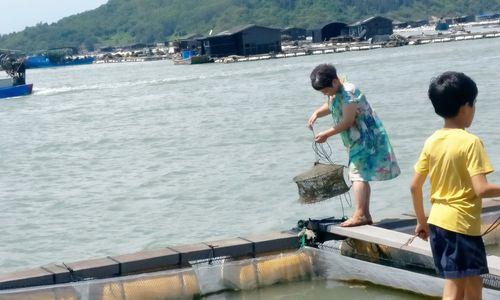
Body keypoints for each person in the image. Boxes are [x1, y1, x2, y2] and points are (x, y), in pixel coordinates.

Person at [411, 71, 500, 299]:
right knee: (455, 287)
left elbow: (414, 186)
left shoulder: (432, 141)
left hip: (439, 224)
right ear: (465, 107)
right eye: (474, 103)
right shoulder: (470, 142)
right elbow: (481, 189)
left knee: (473, 281)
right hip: (460, 227)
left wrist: (422, 221)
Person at [308, 64, 400, 227]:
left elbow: (347, 121)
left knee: (357, 174)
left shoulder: (349, 91)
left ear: (335, 82)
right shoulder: (335, 94)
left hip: (366, 137)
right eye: (322, 92)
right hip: (356, 138)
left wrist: (326, 134)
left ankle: (359, 214)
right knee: (361, 174)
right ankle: (365, 214)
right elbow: (330, 107)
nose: (325, 94)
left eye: (325, 91)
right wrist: (316, 114)